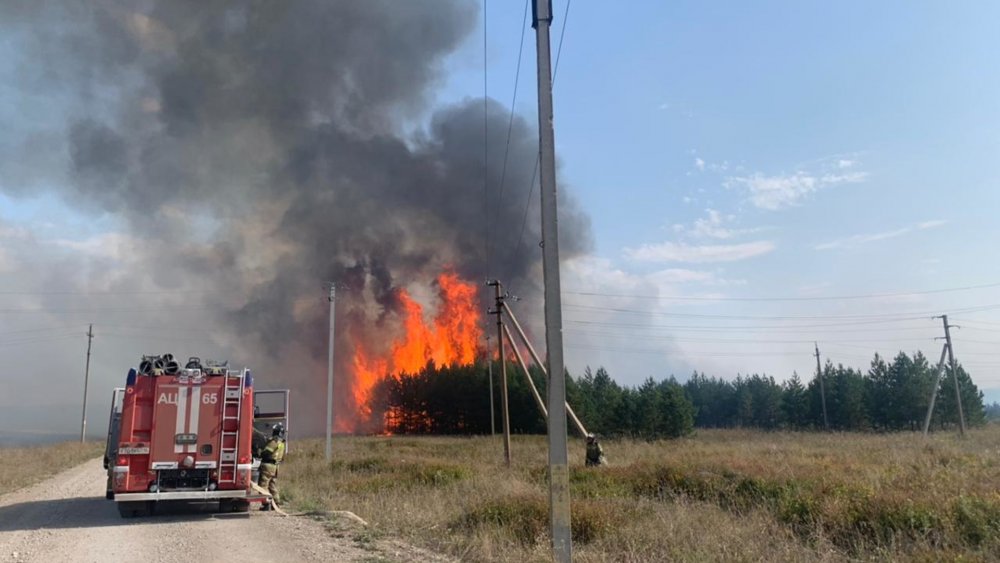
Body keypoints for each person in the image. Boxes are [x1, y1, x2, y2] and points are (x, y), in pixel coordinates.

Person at [258, 423, 286, 508]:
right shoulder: (282, 443)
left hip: (268, 466)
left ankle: (266, 504)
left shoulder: (274, 441)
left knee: (263, 485)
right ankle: (276, 502)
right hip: (275, 467)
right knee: (272, 485)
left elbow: (266, 453)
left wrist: (260, 451)